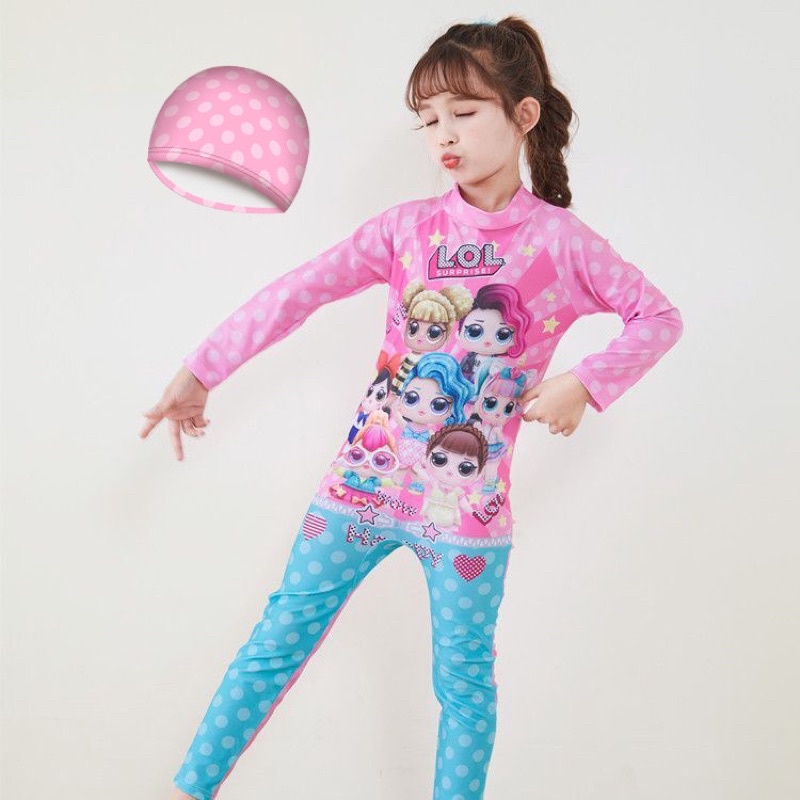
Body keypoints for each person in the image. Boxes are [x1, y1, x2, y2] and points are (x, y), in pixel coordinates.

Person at [140, 16, 683, 800]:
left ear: (523, 114)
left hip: (466, 516)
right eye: (428, 119)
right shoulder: (407, 229)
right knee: (274, 643)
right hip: (359, 488)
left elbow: (658, 316)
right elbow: (298, 293)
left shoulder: (564, 244)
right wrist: (203, 369)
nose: (443, 134)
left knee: (463, 685)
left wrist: (587, 383)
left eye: (463, 111)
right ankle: (187, 790)